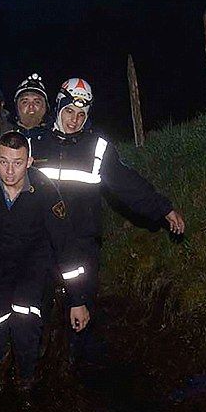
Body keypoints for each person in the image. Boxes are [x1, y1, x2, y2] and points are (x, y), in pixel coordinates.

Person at [34, 77, 185, 368]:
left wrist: (163, 209)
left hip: (81, 244)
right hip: (42, 245)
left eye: (81, 115)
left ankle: (76, 372)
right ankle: (41, 367)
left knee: (80, 311)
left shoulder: (97, 148)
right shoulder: (35, 144)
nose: (74, 120)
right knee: (38, 312)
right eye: (69, 112)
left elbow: (127, 183)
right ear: (58, 108)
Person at [0, 131, 87, 393]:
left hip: (31, 265)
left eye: (18, 162)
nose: (9, 171)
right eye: (4, 162)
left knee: (26, 321)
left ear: (29, 161)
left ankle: (26, 378)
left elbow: (65, 245)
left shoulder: (44, 190)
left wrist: (78, 300)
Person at [14, 73, 50, 145]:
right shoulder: (4, 136)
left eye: (37, 102)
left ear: (45, 107)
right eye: (25, 102)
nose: (31, 106)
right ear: (17, 107)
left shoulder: (57, 140)